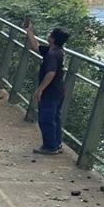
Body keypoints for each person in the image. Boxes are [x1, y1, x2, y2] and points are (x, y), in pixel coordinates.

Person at [24, 21, 70, 155]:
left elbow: (51, 73)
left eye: (51, 34)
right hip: (59, 90)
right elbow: (36, 47)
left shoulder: (52, 55)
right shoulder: (56, 51)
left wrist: (40, 89)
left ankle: (50, 146)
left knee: (46, 118)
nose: (48, 36)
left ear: (53, 38)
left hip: (51, 91)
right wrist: (29, 32)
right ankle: (57, 144)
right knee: (55, 117)